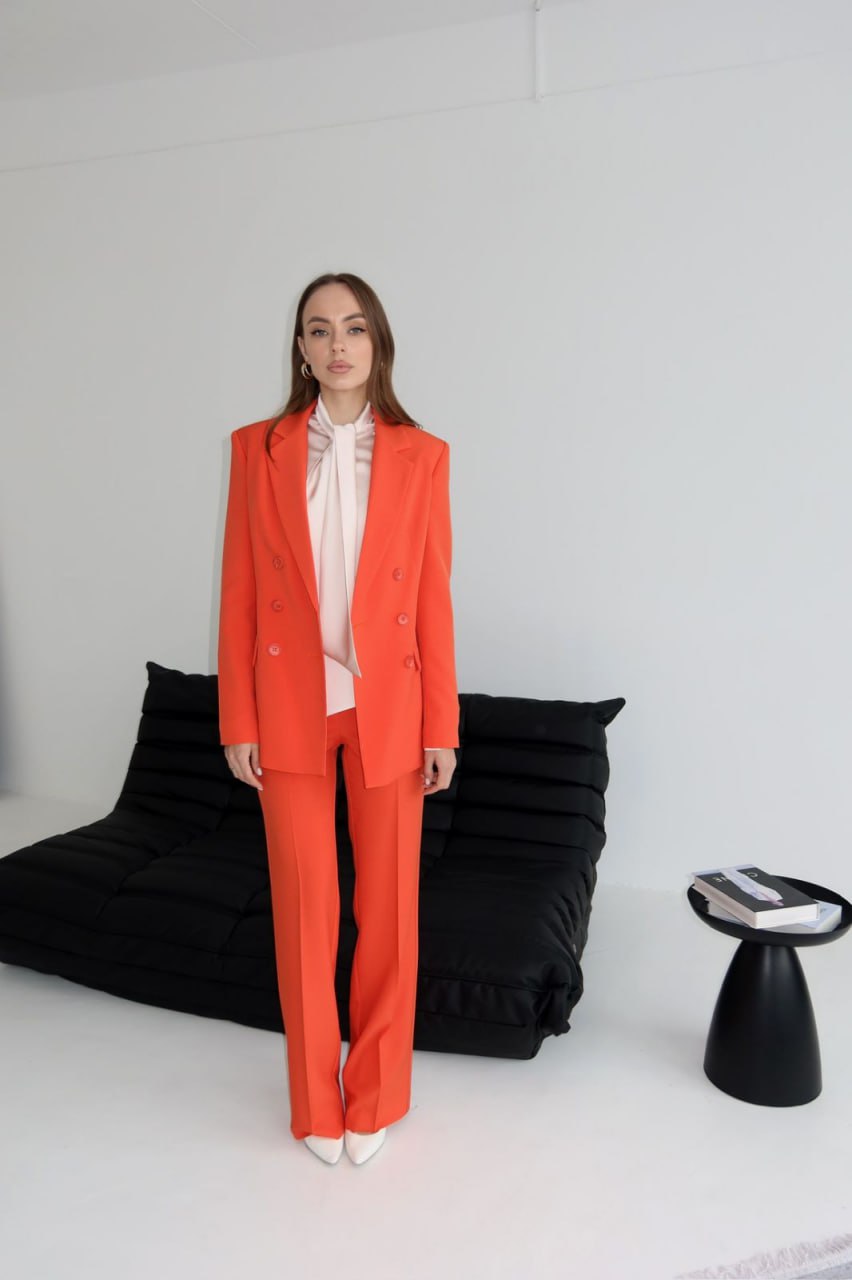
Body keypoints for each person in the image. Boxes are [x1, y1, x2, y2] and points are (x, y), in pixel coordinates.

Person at [217, 272, 460, 1165]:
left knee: (389, 909)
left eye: (354, 328)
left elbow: (433, 598)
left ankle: (378, 1093)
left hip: (388, 704)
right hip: (289, 702)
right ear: (301, 349)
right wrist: (236, 717)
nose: (337, 345)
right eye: (319, 330)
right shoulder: (257, 448)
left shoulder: (422, 454)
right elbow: (240, 591)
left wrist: (442, 727)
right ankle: (316, 1102)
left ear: (377, 343)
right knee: (305, 909)